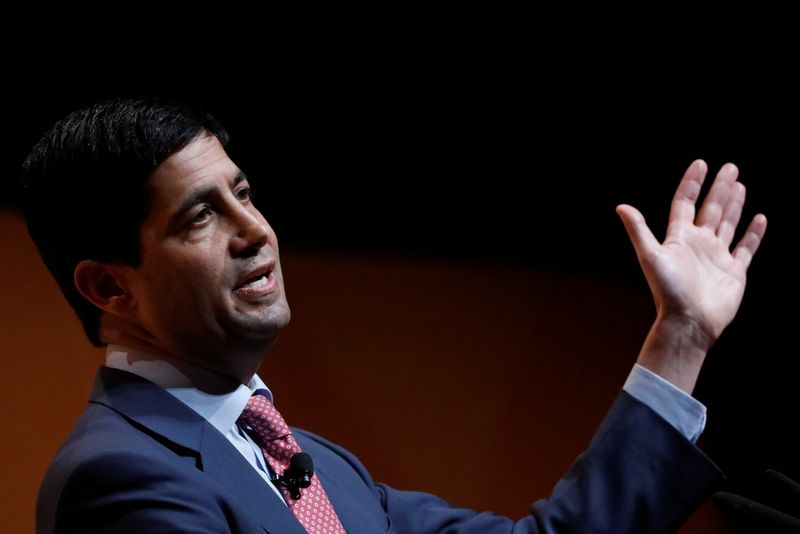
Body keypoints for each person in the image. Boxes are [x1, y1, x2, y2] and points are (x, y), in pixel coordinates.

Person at [23, 98, 767, 534]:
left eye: (244, 194)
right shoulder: (120, 479)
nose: (254, 232)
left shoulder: (313, 462)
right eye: (198, 218)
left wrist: (682, 334)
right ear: (110, 289)